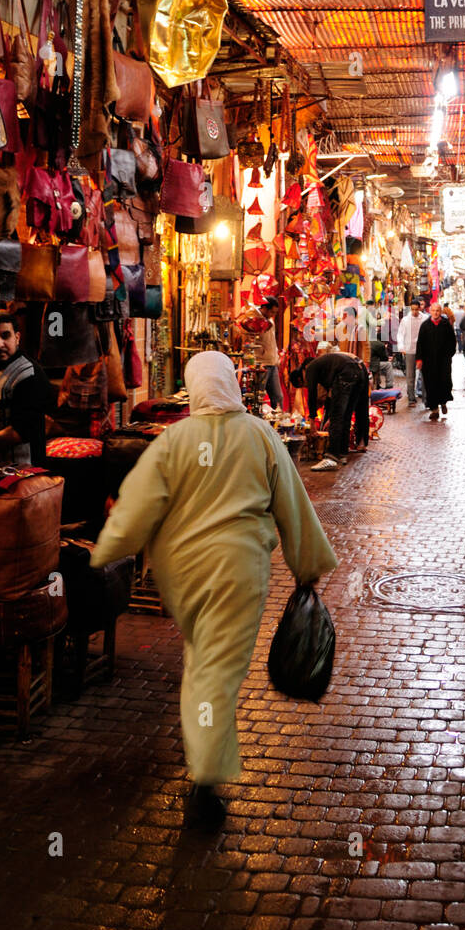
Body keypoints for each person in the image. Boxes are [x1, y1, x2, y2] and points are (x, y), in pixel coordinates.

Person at [90, 352, 336, 833]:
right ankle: (205, 781)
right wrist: (307, 567)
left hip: (182, 575)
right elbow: (292, 503)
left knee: (204, 663)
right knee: (214, 674)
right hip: (237, 573)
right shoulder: (260, 435)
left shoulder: (176, 439)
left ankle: (205, 770)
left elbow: (139, 503)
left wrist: (105, 551)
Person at [0, 308, 55, 467]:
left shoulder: (29, 374)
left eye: (5, 336)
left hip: (24, 470)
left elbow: (20, 433)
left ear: (17, 337)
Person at [290, 347, 370, 470]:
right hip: (359, 372)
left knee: (338, 416)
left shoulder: (310, 369)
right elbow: (333, 398)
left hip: (346, 372)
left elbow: (312, 396)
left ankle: (332, 456)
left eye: (304, 385)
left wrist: (312, 421)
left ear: (301, 378)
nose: (307, 386)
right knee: (345, 415)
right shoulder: (323, 368)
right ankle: (342, 453)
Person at [415, 300, 456, 421]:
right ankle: (434, 409)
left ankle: (443, 402)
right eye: (433, 310)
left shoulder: (446, 325)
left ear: (441, 312)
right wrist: (419, 359)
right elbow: (420, 343)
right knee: (430, 384)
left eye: (438, 311)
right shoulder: (425, 325)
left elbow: (452, 341)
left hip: (444, 361)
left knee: (444, 382)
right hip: (429, 362)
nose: (435, 313)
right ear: (430, 311)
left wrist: (449, 355)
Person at [396, 299, 427, 406]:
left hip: (422, 351)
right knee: (410, 376)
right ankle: (411, 398)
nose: (414, 311)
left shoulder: (425, 319)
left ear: (419, 308)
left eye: (416, 309)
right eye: (412, 309)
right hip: (409, 350)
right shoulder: (405, 320)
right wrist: (401, 347)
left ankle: (426, 398)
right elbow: (400, 334)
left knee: (424, 375)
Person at [258, 296, 283, 410]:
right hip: (261, 364)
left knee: (278, 397)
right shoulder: (255, 320)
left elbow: (272, 342)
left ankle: (279, 423)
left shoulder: (270, 321)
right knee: (258, 396)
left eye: (275, 312)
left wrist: (277, 357)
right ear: (264, 308)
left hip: (272, 363)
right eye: (272, 312)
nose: (273, 315)